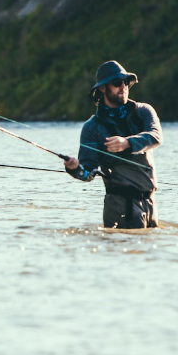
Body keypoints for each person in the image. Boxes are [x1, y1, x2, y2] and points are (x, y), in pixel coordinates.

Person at [63, 61, 163, 229]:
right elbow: (87, 172)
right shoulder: (92, 128)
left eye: (126, 81)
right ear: (102, 88)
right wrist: (74, 169)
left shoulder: (144, 111)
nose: (123, 86)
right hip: (120, 204)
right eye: (117, 83)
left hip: (150, 202)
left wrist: (127, 143)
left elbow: (155, 137)